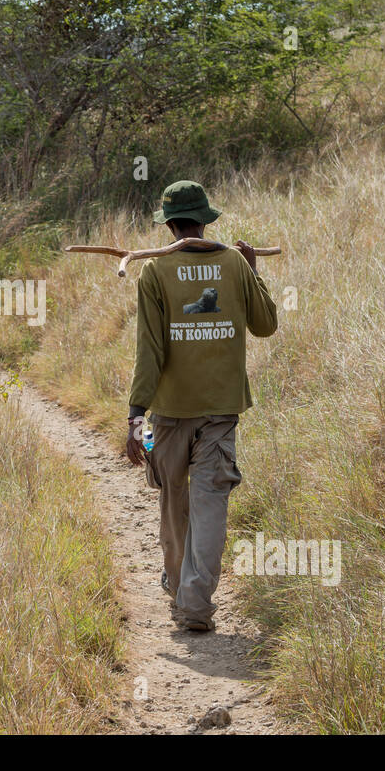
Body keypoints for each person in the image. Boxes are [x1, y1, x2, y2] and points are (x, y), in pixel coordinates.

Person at [125, 180, 278, 631]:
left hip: (169, 413)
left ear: (169, 225)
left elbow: (148, 352)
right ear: (207, 220)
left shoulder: (154, 272)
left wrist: (136, 415)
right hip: (221, 410)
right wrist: (252, 271)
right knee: (210, 501)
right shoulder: (234, 263)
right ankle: (194, 601)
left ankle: (180, 592)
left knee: (174, 502)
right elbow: (266, 325)